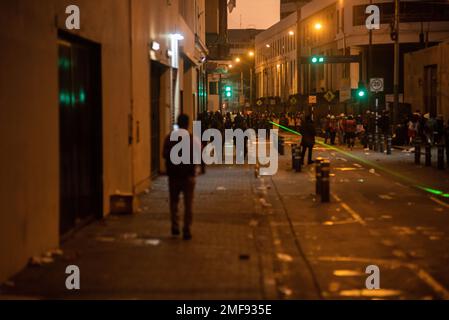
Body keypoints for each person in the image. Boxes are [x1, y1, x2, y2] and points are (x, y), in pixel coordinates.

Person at [163, 114, 200, 240]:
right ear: (188, 124)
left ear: (177, 123)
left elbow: (164, 154)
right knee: (188, 204)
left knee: (174, 202)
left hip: (173, 176)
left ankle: (175, 226)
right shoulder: (192, 138)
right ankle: (186, 229)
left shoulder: (169, 137)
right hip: (188, 176)